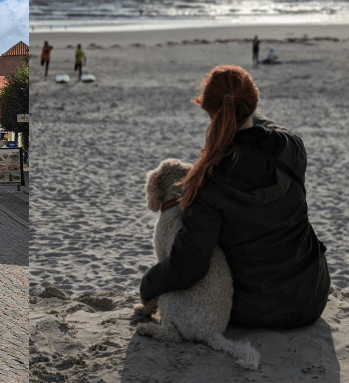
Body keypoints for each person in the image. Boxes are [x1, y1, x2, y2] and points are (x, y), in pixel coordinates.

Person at [139, 65, 330, 329]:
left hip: (252, 311)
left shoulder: (207, 181)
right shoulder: (292, 148)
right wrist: (241, 103)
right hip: (312, 296)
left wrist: (147, 285)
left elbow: (188, 268)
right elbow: (262, 125)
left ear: (208, 111)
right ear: (253, 103)